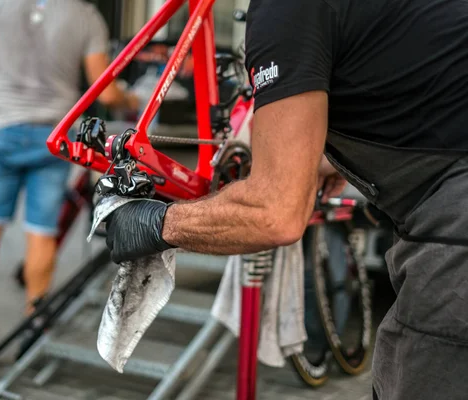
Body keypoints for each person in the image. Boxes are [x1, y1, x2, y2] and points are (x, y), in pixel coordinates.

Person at [102, 0, 468, 398]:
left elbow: (274, 214)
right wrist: (328, 160)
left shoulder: (285, 8)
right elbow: (413, 94)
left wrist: (157, 223)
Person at [0, 0, 139, 341]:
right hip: (54, 135)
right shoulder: (85, 15)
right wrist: (131, 99)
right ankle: (34, 317)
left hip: (4, 127)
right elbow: (106, 90)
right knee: (41, 229)